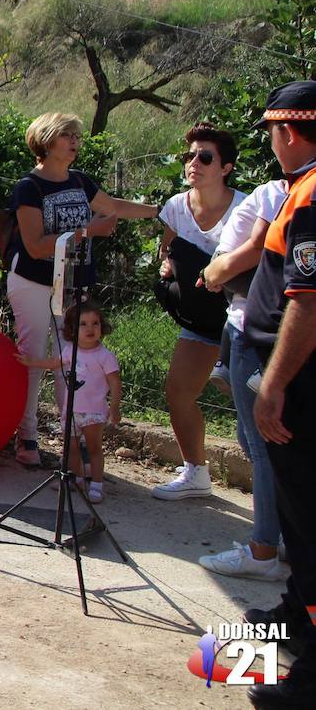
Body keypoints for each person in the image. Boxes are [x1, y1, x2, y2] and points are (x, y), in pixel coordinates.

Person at [4, 112, 159, 466]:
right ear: (46, 140)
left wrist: (161, 211)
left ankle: (70, 443)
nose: (75, 141)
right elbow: (35, 246)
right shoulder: (29, 187)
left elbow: (116, 207)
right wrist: (87, 231)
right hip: (33, 282)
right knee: (32, 357)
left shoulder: (81, 182)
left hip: (74, 286)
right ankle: (26, 436)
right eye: (66, 135)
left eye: (76, 135)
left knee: (72, 364)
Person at [235, 80, 316, 709]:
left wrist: (275, 387)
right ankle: (294, 613)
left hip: (300, 386)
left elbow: (307, 304)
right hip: (293, 379)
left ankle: (309, 677)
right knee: (295, 510)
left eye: (271, 132)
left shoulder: (312, 195)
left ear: (288, 131)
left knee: (310, 521)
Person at [196, 177, 289, 579]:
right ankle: (282, 535)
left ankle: (263, 550)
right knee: (250, 436)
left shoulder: (278, 192)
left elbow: (256, 249)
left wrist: (215, 271)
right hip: (248, 320)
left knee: (262, 444)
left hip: (253, 322)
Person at [151, 123, 247, 500]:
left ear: (225, 167)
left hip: (243, 319)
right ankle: (196, 473)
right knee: (178, 390)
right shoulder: (176, 206)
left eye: (205, 157)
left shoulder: (245, 207)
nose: (194, 162)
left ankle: (285, 494)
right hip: (201, 316)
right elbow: (167, 251)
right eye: (189, 156)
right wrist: (168, 267)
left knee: (257, 406)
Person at [19, 299, 121, 504]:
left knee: (93, 449)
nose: (90, 329)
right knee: (71, 448)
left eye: (95, 323)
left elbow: (115, 383)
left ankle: (97, 486)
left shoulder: (105, 356)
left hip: (94, 412)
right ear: (72, 330)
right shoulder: (70, 351)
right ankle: (75, 479)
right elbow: (53, 364)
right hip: (71, 411)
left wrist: (115, 406)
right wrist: (32, 362)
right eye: (83, 324)